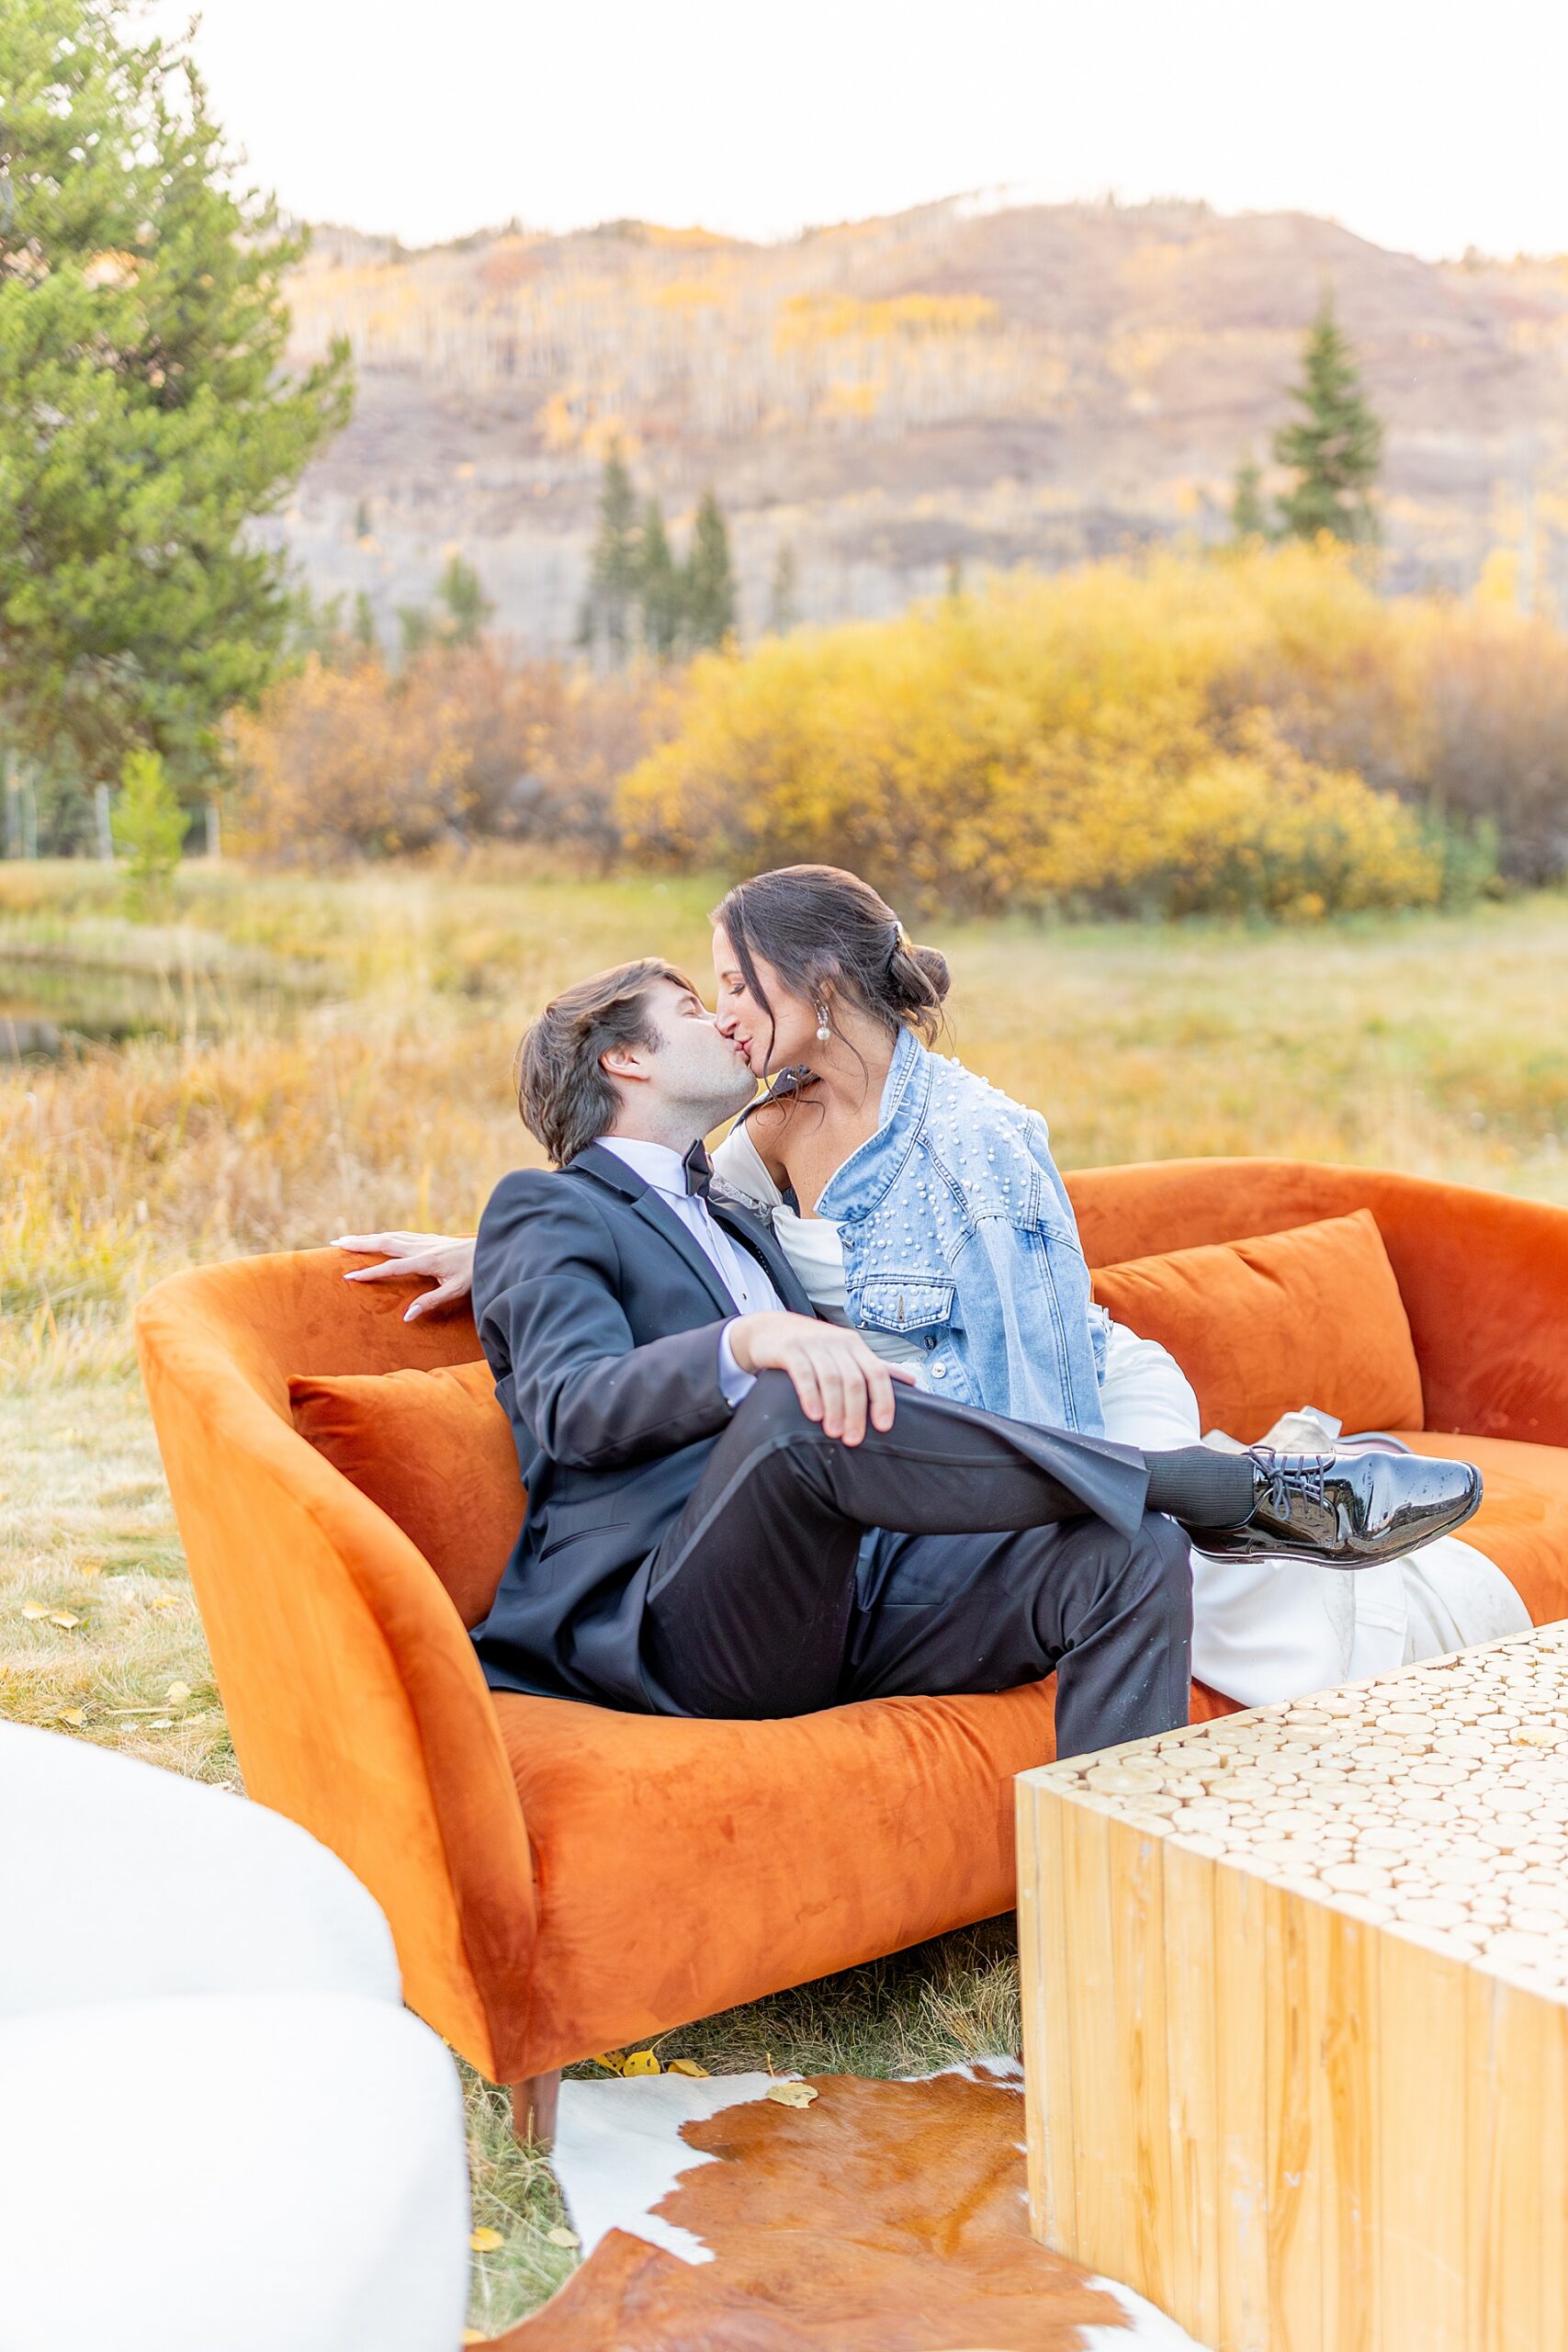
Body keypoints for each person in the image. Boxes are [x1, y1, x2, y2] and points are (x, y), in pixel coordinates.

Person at [335, 954, 1480, 1746]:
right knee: (788, 1403)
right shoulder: (546, 1208)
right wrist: (749, 1339)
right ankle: (1245, 1491)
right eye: (689, 1006)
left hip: (840, 1597)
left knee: (1126, 1546)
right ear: (622, 1060)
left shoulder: (735, 1206)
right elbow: (569, 1404)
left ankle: (1120, 1922)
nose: (723, 1020)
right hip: (671, 1625)